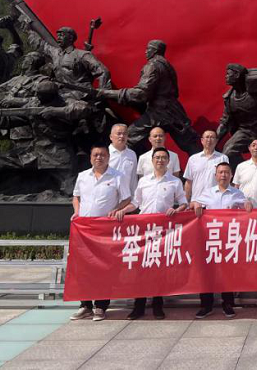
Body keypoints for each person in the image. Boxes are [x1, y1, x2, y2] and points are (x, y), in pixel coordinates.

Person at [114, 147, 188, 320]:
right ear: (152, 160)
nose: (160, 160)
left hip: (163, 231)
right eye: (157, 157)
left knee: (158, 268)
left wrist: (176, 209)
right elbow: (136, 203)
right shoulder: (144, 181)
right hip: (144, 230)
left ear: (168, 161)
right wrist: (123, 210)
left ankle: (157, 305)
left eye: (163, 158)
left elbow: (184, 202)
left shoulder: (175, 182)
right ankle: (138, 306)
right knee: (141, 268)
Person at [98, 39, 200, 154]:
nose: (146, 52)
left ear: (155, 51)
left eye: (148, 49)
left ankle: (117, 163)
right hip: (173, 111)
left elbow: (141, 93)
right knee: (190, 144)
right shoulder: (168, 66)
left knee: (128, 137)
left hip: (158, 112)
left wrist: (108, 93)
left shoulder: (152, 65)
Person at [69, 144, 131, 321]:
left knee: (103, 267)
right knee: (83, 268)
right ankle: (85, 305)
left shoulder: (118, 176)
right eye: (95, 155)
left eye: (102, 155)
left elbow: (127, 199)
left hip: (105, 229)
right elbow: (76, 197)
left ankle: (101, 306)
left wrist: (116, 209)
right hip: (84, 229)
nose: (99, 158)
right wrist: (77, 211)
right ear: (90, 158)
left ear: (108, 157)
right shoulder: (83, 176)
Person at [191, 161, 252, 319]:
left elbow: (245, 205)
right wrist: (196, 204)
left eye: (226, 172)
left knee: (227, 272)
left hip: (229, 238)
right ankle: (206, 305)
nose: (223, 175)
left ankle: (228, 304)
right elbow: (195, 202)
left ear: (231, 175)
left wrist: (247, 204)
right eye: (220, 172)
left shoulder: (236, 193)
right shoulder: (208, 192)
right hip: (210, 239)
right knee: (207, 272)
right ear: (216, 175)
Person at [184, 130, 229, 203]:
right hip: (197, 202)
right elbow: (189, 181)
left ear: (216, 141)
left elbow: (226, 181)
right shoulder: (193, 159)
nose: (209, 140)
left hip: (216, 202)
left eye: (212, 137)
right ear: (202, 140)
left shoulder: (223, 158)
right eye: (207, 137)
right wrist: (186, 201)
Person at [108, 123, 138, 193]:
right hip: (108, 195)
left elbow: (133, 179)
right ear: (111, 137)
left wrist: (134, 197)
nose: (122, 136)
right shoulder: (105, 153)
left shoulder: (132, 154)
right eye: (119, 134)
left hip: (126, 196)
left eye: (124, 134)